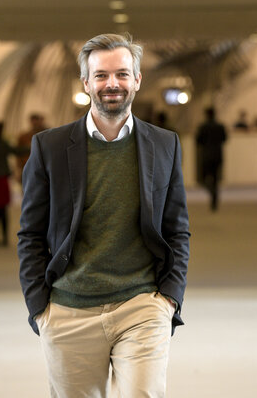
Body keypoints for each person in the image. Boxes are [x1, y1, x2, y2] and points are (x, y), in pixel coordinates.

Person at [17, 33, 190, 398]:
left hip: (142, 305)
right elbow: (30, 233)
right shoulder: (49, 147)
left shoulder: (165, 144)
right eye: (101, 75)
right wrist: (40, 308)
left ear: (137, 80)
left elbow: (177, 229)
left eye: (123, 74)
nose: (112, 84)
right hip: (68, 309)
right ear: (86, 82)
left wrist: (169, 297)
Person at [196, 107, 227, 211]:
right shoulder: (220, 126)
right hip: (218, 155)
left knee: (203, 179)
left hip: (206, 155)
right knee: (215, 178)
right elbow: (225, 139)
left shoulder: (203, 127)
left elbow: (198, 140)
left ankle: (212, 193)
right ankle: (215, 196)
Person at [15, 113, 47, 182]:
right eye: (33, 121)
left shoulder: (46, 135)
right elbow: (18, 153)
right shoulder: (23, 136)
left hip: (42, 168)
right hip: (27, 167)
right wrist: (18, 168)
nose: (35, 124)